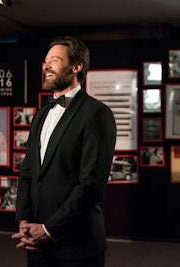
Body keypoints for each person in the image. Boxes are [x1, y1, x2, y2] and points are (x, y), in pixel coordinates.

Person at [11, 36, 117, 267]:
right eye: (45, 61)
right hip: (36, 242)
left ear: (76, 67)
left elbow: (91, 185)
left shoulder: (97, 114)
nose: (46, 65)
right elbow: (28, 172)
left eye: (55, 60)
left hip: (77, 245)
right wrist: (24, 219)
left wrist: (49, 229)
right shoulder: (41, 114)